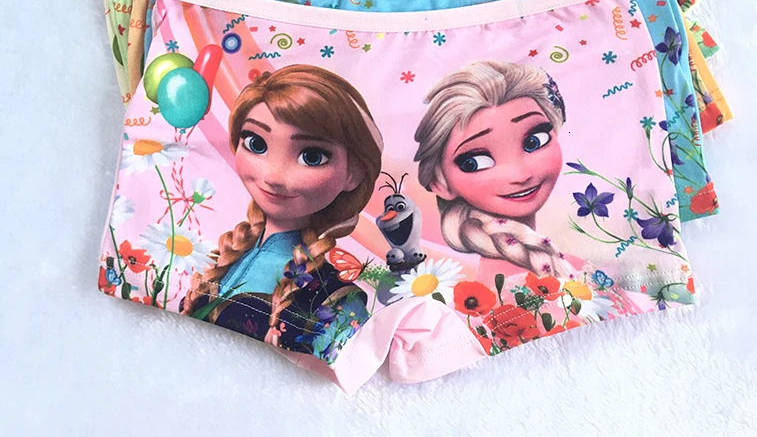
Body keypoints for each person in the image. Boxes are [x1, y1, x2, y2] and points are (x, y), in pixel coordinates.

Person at [181, 65, 383, 363]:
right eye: (256, 144)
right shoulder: (223, 254)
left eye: (312, 156)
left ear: (353, 172)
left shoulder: (337, 300)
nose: (273, 176)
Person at [414, 59, 573, 283]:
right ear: (440, 183)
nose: (520, 175)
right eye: (475, 162)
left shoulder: (562, 264)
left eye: (534, 141)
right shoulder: (505, 285)